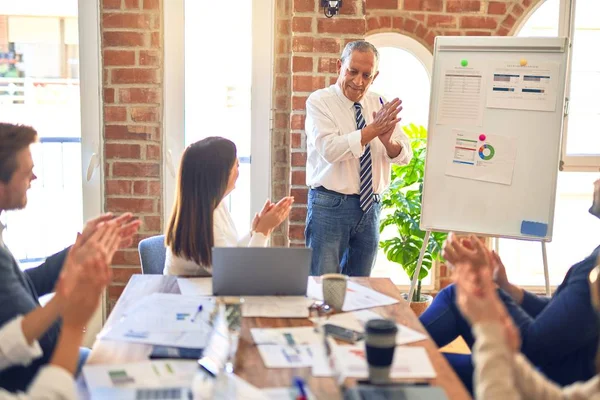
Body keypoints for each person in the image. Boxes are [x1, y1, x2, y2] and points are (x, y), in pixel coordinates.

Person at [0, 123, 141, 391]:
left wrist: (76, 254)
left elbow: (22, 284)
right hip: (37, 379)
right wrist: (74, 313)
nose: (34, 178)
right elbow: (42, 341)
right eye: (27, 172)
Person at [422, 226, 599, 392]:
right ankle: (402, 345)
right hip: (553, 363)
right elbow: (565, 315)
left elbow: (532, 346)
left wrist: (484, 286)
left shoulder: (594, 268)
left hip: (545, 379)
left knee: (421, 361)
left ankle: (402, 351)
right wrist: (508, 288)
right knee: (453, 295)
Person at [304, 40, 412, 277]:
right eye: (352, 71)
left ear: (375, 76)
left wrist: (387, 142)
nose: (358, 81)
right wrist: (372, 130)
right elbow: (330, 149)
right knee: (324, 286)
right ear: (338, 66)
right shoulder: (319, 102)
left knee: (361, 287)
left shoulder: (380, 103)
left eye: (366, 75)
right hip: (330, 205)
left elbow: (405, 155)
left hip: (370, 206)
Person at [0, 222, 120, 400]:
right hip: (34, 373)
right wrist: (73, 326)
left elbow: (21, 283)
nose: (31, 191)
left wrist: (72, 260)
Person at [164, 137, 293, 276]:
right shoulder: (202, 223)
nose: (238, 169)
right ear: (218, 175)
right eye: (235, 165)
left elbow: (230, 254)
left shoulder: (216, 206)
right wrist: (263, 231)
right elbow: (239, 277)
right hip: (183, 295)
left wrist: (254, 233)